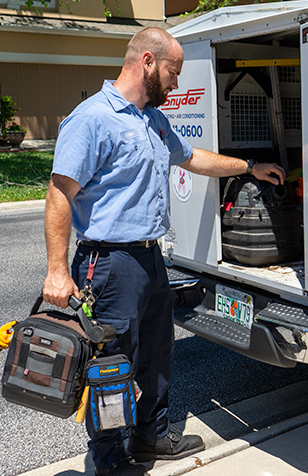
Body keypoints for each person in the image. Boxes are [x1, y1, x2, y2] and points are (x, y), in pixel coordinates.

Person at [43, 27, 285, 476]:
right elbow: (60, 193)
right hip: (108, 263)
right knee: (112, 364)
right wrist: (58, 270)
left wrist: (250, 167)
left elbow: (192, 158)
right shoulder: (92, 118)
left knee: (157, 354)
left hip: (151, 257)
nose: (176, 83)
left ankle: (150, 435)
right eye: (173, 71)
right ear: (148, 63)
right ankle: (110, 457)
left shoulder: (152, 119)